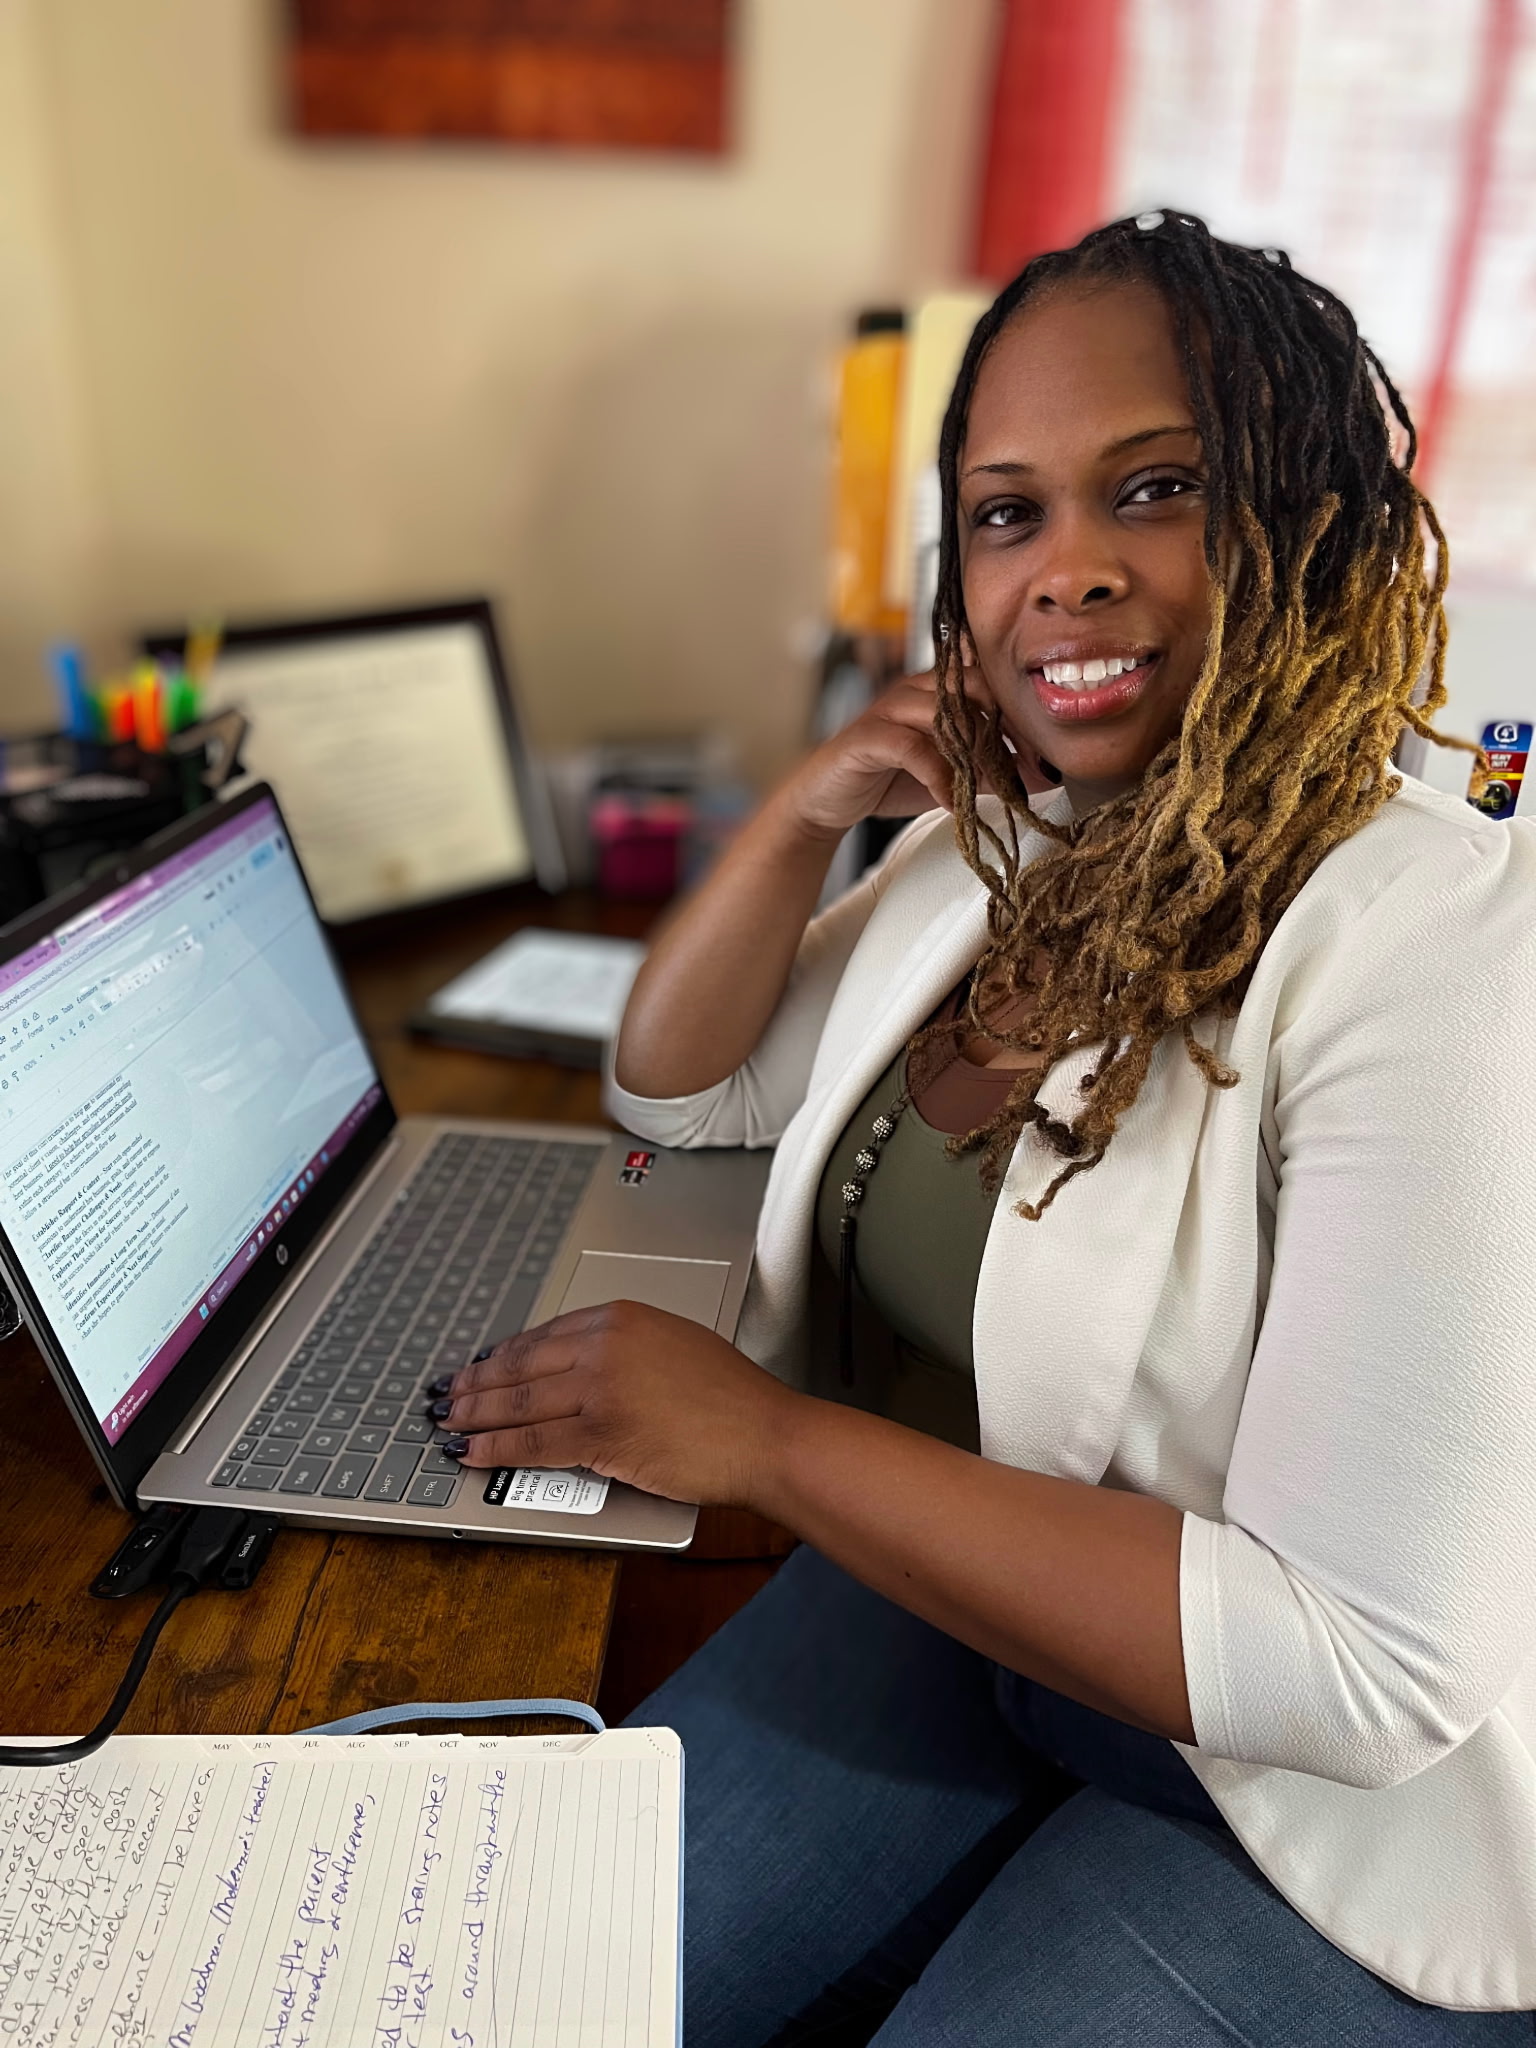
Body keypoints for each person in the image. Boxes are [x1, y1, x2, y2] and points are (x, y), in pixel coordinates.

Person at [428, 214, 1536, 2040]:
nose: (1063, 570)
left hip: (1333, 1808)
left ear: (1313, 519)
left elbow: (1363, 1664)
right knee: (538, 1988)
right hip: (982, 1602)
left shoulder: (1441, 941)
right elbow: (683, 1086)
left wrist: (768, 1445)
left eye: (1157, 488)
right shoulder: (1013, 845)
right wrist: (810, 809)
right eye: (1008, 514)